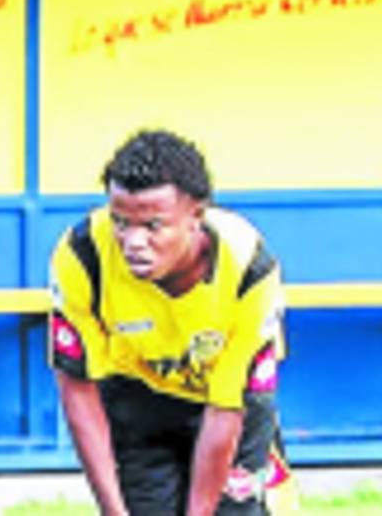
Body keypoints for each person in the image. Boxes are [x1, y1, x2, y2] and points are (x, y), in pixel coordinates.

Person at [47, 129, 295, 515]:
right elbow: (78, 387)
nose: (133, 241)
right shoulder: (83, 256)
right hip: (138, 398)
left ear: (196, 216)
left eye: (152, 226)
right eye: (120, 222)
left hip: (228, 405)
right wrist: (114, 511)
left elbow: (226, 409)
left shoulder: (249, 270)